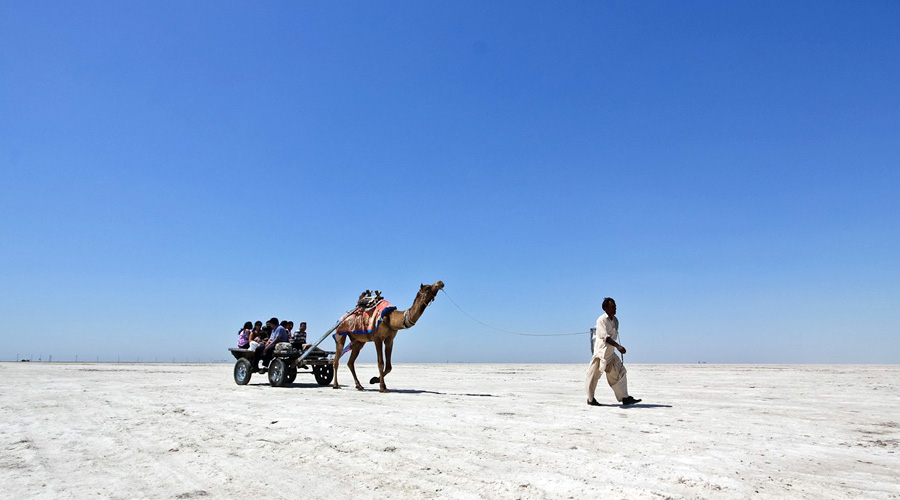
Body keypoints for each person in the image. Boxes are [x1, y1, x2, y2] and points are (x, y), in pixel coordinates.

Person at [586, 297, 641, 406]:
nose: (615, 309)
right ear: (605, 308)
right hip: (600, 354)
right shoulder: (601, 320)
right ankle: (591, 400)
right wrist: (618, 346)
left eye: (615, 306)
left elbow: (614, 335)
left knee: (620, 373)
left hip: (610, 354)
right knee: (592, 377)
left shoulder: (615, 321)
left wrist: (616, 347)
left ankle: (625, 398)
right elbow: (605, 337)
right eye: (612, 307)